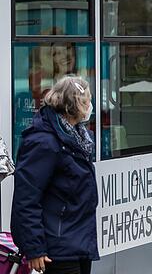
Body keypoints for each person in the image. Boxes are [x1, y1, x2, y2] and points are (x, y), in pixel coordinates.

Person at [12, 75, 98, 274]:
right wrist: (34, 248)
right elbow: (26, 199)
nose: (91, 106)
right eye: (88, 101)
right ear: (75, 105)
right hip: (56, 249)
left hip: (79, 243)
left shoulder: (78, 138)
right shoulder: (45, 142)